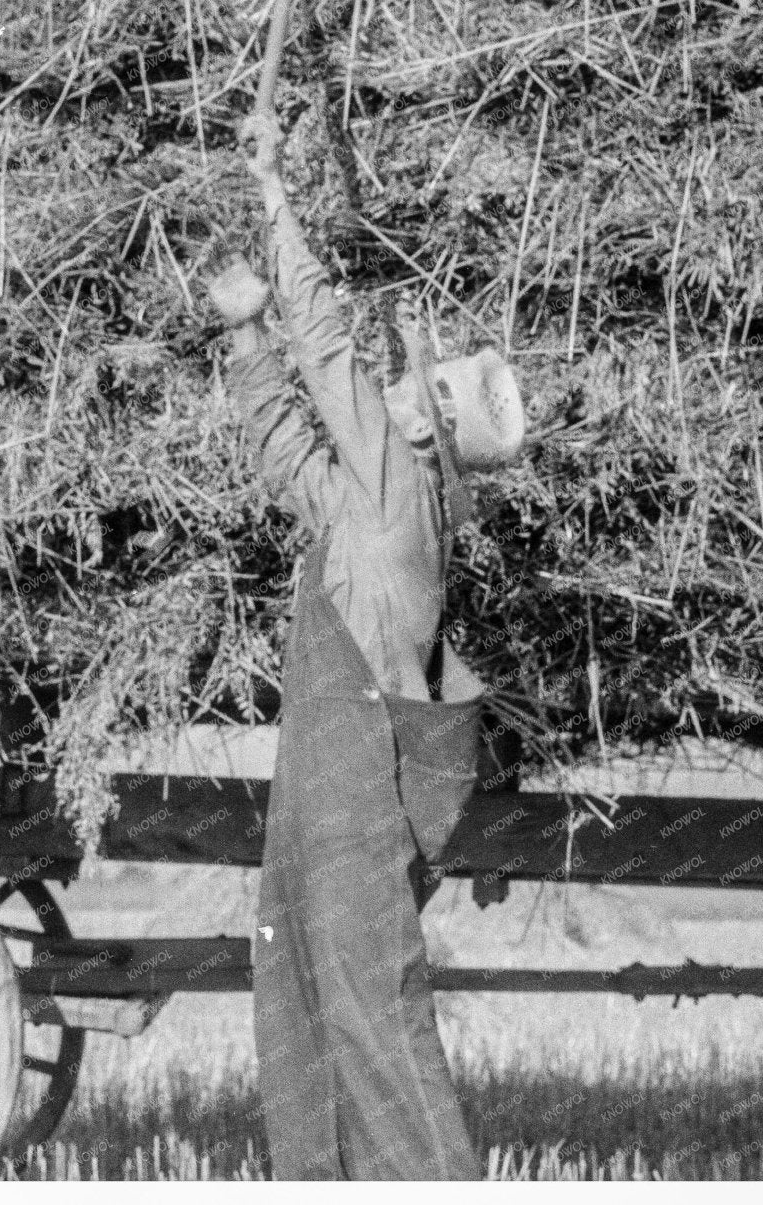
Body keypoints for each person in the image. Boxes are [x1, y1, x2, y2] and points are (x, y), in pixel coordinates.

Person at [207, 106, 527, 1180]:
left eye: (415, 383)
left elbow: (330, 352)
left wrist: (273, 195)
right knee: (309, 1002)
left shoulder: (401, 492)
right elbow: (284, 445)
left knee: (373, 1016)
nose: (395, 382)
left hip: (353, 810)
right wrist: (244, 332)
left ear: (430, 425)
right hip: (325, 802)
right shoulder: (361, 503)